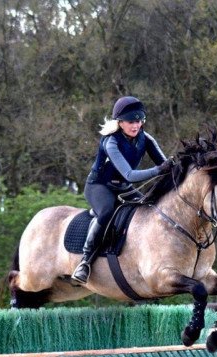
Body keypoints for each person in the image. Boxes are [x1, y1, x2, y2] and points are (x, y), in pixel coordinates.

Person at [71, 96, 171, 285]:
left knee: (150, 209)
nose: (136, 126)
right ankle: (84, 262)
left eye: (139, 121)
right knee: (107, 211)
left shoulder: (145, 138)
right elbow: (130, 174)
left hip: (124, 189)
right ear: (120, 122)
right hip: (99, 187)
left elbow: (166, 165)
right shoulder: (111, 142)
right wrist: (159, 170)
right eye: (131, 122)